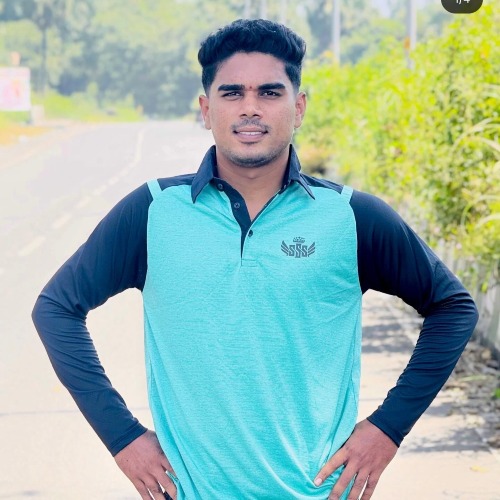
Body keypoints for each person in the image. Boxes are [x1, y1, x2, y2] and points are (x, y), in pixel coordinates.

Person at [32, 19, 478, 500]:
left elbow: (452, 307)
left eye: (269, 92)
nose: (250, 108)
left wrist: (387, 429)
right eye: (231, 93)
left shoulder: (350, 216)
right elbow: (56, 309)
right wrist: (122, 438)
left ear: (298, 107)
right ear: (206, 109)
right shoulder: (153, 211)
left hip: (319, 492)